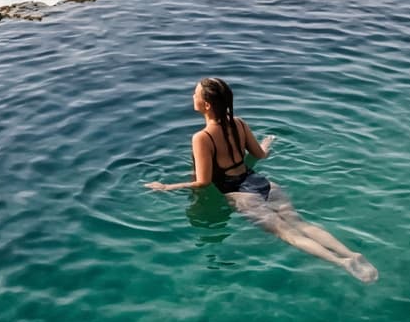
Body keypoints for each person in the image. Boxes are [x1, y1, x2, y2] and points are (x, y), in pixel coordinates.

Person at [145, 77, 378, 284]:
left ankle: (342, 264)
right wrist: (265, 146)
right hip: (261, 183)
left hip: (240, 193)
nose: (192, 96)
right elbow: (258, 155)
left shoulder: (202, 137)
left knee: (288, 234)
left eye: (195, 93)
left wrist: (167, 187)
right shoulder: (239, 123)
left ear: (206, 105)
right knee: (301, 223)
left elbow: (204, 182)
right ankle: (350, 253)